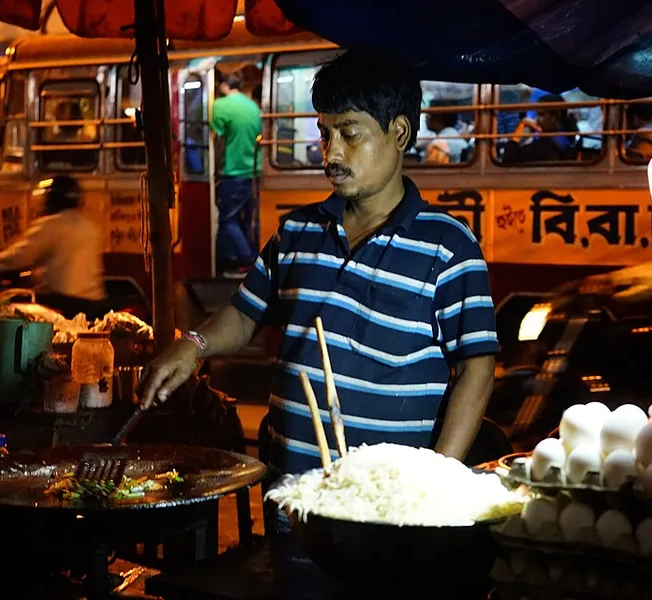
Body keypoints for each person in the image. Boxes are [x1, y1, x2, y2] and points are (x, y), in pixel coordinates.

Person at [137, 50, 499, 532]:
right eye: (324, 133)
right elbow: (245, 316)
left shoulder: (449, 246)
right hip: (295, 499)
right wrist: (193, 344)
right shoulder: (296, 233)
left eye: (350, 134)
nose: (330, 153)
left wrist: (437, 479)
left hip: (392, 509)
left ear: (400, 133)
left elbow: (477, 367)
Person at [0, 175, 107, 320]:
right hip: (93, 301)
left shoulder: (52, 225)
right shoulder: (90, 227)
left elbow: (20, 256)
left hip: (64, 301)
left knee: (12, 310)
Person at [211, 73, 262, 276]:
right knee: (245, 219)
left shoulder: (221, 105)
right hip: (252, 171)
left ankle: (247, 260)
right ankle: (235, 259)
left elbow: (214, 139)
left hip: (234, 171)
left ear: (223, 85)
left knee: (227, 219)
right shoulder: (253, 106)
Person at [502, 93, 580, 163]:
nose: (537, 120)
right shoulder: (564, 137)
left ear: (556, 115)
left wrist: (519, 130)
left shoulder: (547, 145)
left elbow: (508, 162)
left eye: (541, 114)